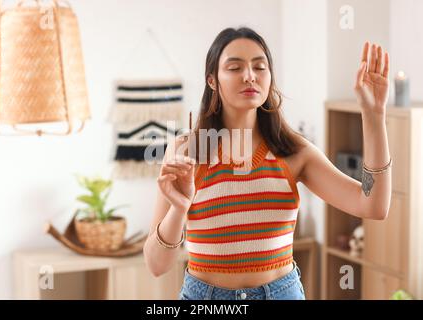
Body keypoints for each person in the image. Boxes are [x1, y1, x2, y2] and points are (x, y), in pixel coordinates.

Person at [143, 27, 392, 300]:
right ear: (212, 80)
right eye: (235, 67)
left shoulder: (294, 152)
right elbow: (157, 265)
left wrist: (373, 115)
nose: (250, 76)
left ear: (270, 78)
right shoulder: (187, 152)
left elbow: (373, 204)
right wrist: (179, 209)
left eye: (260, 67)